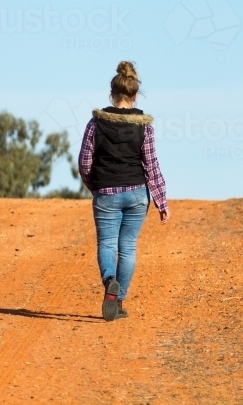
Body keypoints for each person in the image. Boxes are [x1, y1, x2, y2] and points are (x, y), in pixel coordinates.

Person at [78, 61, 169, 321]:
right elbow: (151, 165)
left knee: (107, 243)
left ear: (112, 93)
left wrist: (94, 185)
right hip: (138, 194)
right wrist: (162, 201)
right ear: (134, 95)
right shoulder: (144, 126)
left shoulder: (96, 123)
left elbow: (85, 161)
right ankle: (117, 303)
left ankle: (110, 281)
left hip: (106, 191)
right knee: (127, 247)